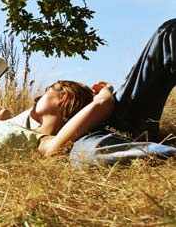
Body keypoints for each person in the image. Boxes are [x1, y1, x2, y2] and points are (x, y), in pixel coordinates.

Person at [70, 18, 176, 167]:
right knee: (84, 156)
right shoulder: (29, 129)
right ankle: (167, 154)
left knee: (168, 32)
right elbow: (50, 148)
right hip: (98, 134)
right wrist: (103, 98)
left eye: (52, 89)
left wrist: (104, 98)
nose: (38, 99)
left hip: (121, 109)